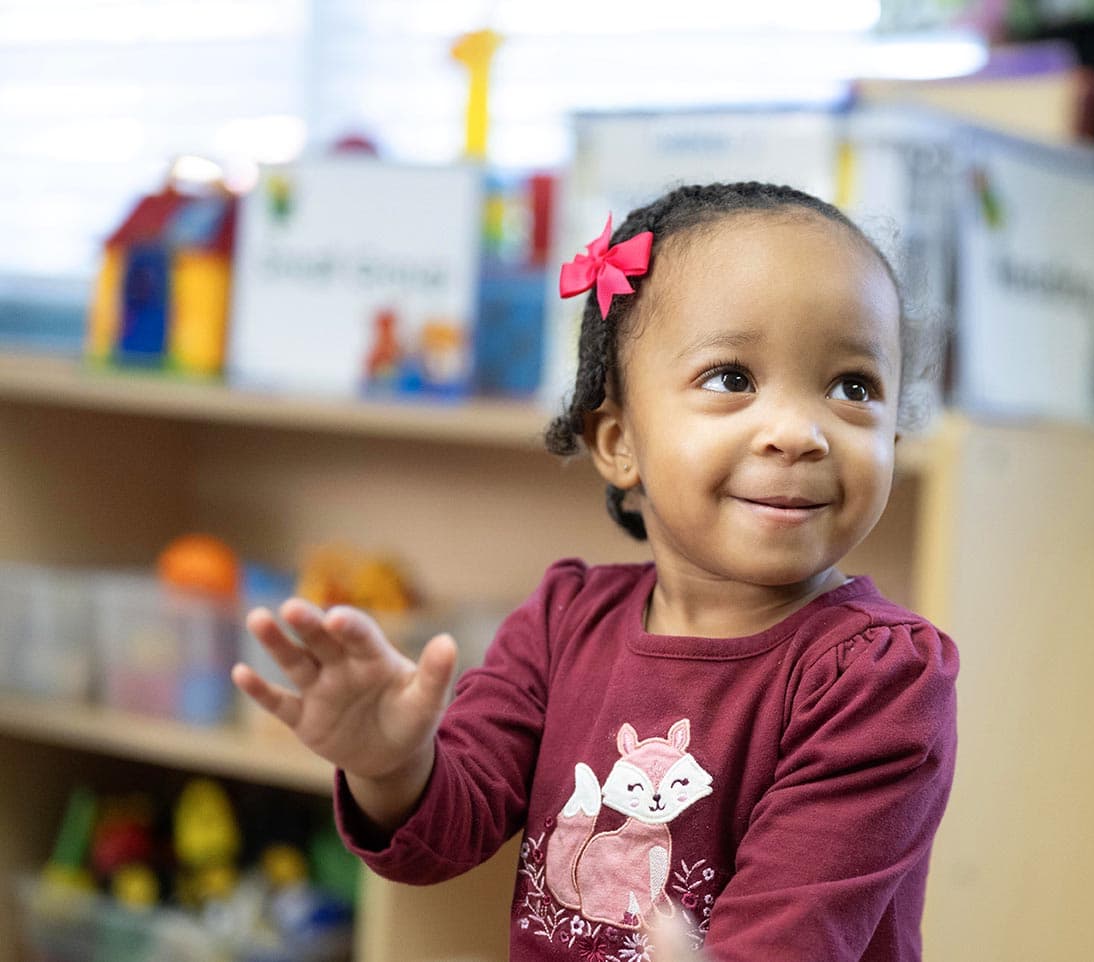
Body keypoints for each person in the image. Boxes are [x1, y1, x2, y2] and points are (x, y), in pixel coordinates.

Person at [232, 181, 959, 961]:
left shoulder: (880, 680)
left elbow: (794, 938)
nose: (798, 432)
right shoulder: (562, 620)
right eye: (732, 378)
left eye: (853, 386)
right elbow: (439, 839)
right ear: (617, 443)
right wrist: (389, 764)